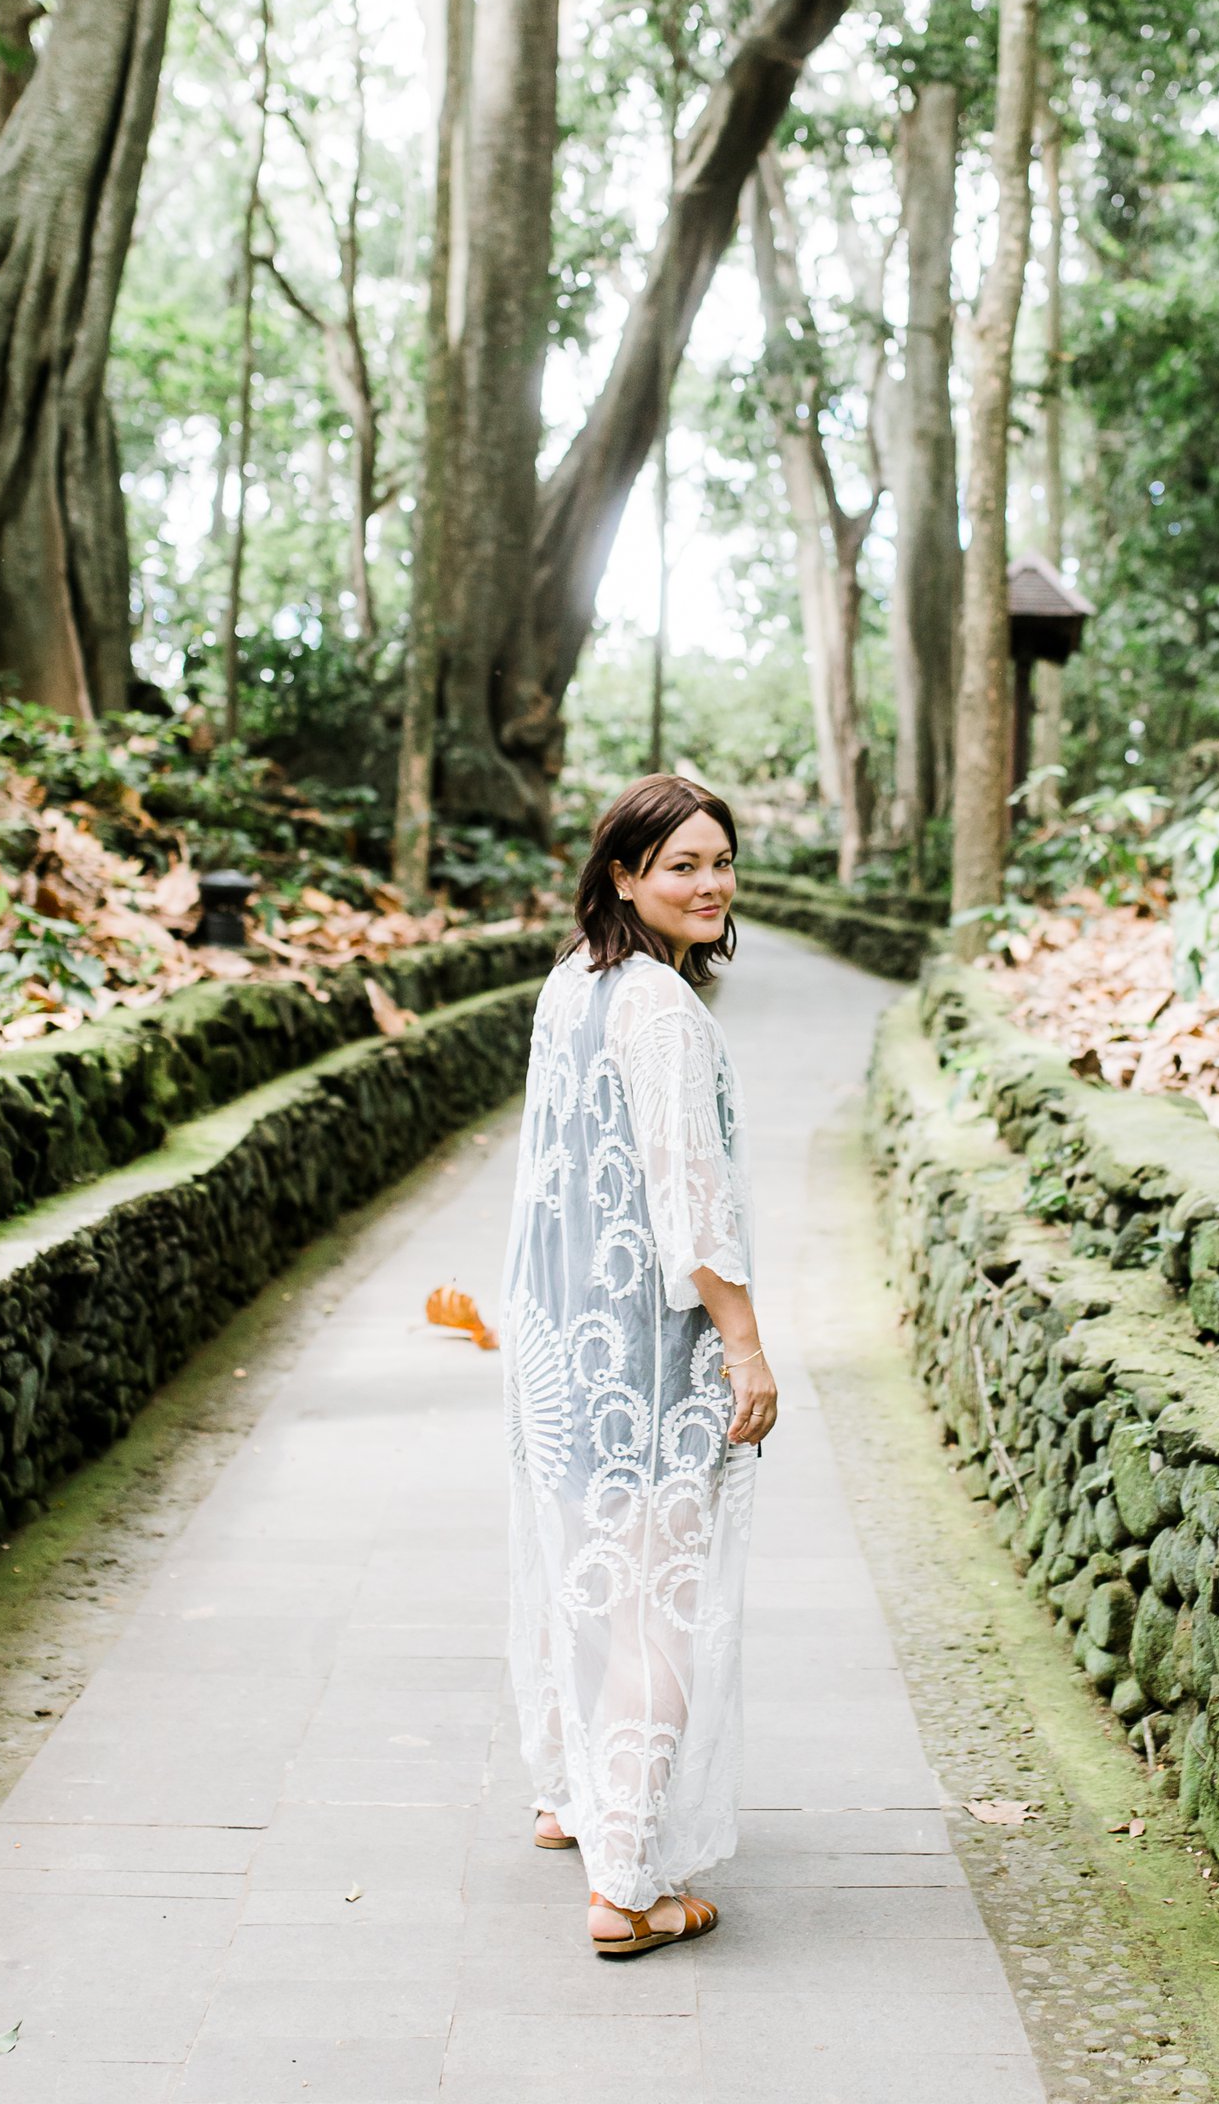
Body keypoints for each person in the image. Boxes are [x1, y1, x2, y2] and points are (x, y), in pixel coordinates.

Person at [501, 772, 777, 1959]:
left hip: (565, 1342)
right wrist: (745, 1349)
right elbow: (690, 1197)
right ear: (623, 875)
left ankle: (575, 1797)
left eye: (721, 862)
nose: (711, 885)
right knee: (659, 1601)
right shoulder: (659, 1008)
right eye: (683, 867)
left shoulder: (577, 979)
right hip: (648, 1353)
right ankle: (626, 1888)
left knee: (589, 1575)